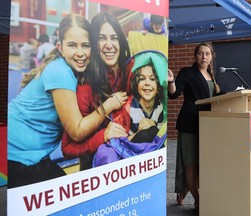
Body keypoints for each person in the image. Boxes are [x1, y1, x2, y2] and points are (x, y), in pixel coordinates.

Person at [8, 13, 126, 188]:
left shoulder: (73, 70)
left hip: (33, 154)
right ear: (60, 47)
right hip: (18, 154)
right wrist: (108, 106)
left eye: (85, 45)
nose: (80, 53)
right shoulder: (60, 72)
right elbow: (77, 131)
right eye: (72, 45)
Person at [61, 11, 131, 170]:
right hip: (98, 170)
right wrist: (103, 135)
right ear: (93, 43)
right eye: (101, 38)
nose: (109, 44)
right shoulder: (86, 85)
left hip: (130, 166)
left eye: (114, 37)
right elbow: (67, 149)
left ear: (121, 40)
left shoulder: (132, 73)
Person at [167, 42, 222, 210]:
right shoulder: (187, 72)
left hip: (206, 124)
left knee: (201, 162)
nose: (204, 57)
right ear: (195, 56)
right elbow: (174, 94)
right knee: (190, 163)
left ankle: (183, 190)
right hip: (190, 123)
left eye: (207, 54)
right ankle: (198, 199)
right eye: (200, 53)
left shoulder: (211, 74)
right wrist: (171, 82)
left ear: (212, 57)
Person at [92, 50, 167, 167]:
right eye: (142, 79)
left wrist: (152, 125)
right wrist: (139, 133)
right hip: (129, 150)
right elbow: (120, 139)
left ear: (158, 88)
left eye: (152, 79)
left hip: (149, 151)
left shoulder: (160, 107)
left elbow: (158, 135)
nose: (147, 83)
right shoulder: (130, 107)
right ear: (136, 85)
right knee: (145, 134)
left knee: (152, 132)